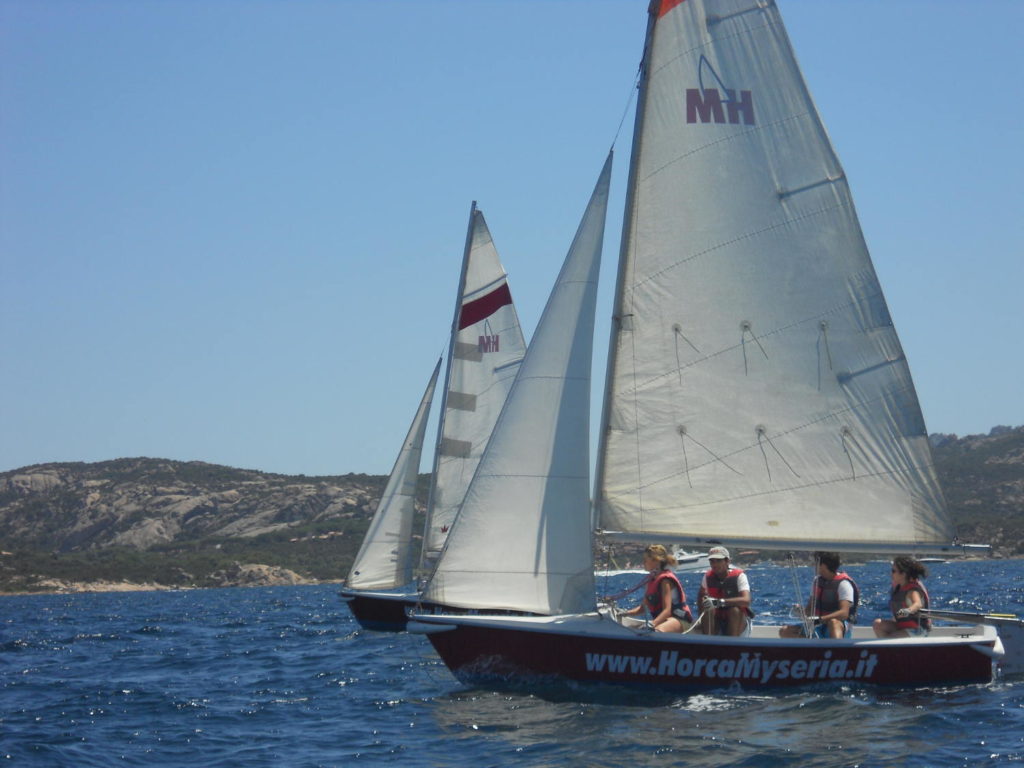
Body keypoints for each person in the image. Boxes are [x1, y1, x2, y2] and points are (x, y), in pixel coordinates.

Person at [779, 552, 859, 639]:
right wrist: (801, 611)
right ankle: (814, 648)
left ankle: (837, 650)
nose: (813, 565)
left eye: (815, 563)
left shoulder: (844, 584)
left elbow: (844, 613)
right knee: (784, 631)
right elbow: (809, 610)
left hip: (838, 626)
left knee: (833, 623)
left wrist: (820, 619)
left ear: (823, 566)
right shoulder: (817, 582)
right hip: (818, 625)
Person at [621, 544, 693, 632]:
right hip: (664, 620)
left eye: (645, 560)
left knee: (657, 630)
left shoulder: (665, 581)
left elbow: (667, 611)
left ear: (656, 561)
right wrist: (624, 613)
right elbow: (642, 608)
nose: (643, 563)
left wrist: (652, 624)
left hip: (678, 620)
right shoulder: (651, 580)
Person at [697, 546, 753, 636]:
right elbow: (700, 596)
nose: (715, 564)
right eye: (712, 561)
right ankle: (709, 644)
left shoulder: (740, 576)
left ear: (727, 561)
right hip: (718, 620)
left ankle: (732, 646)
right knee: (708, 609)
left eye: (718, 560)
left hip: (738, 621)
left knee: (734, 610)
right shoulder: (707, 577)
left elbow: (746, 600)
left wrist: (719, 602)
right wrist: (701, 619)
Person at [873, 556, 931, 638]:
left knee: (889, 639)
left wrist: (906, 611)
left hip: (917, 630)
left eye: (893, 571)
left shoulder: (912, 590)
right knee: (878, 624)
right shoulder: (898, 589)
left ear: (903, 574)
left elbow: (918, 604)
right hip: (903, 627)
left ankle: (888, 649)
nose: (891, 574)